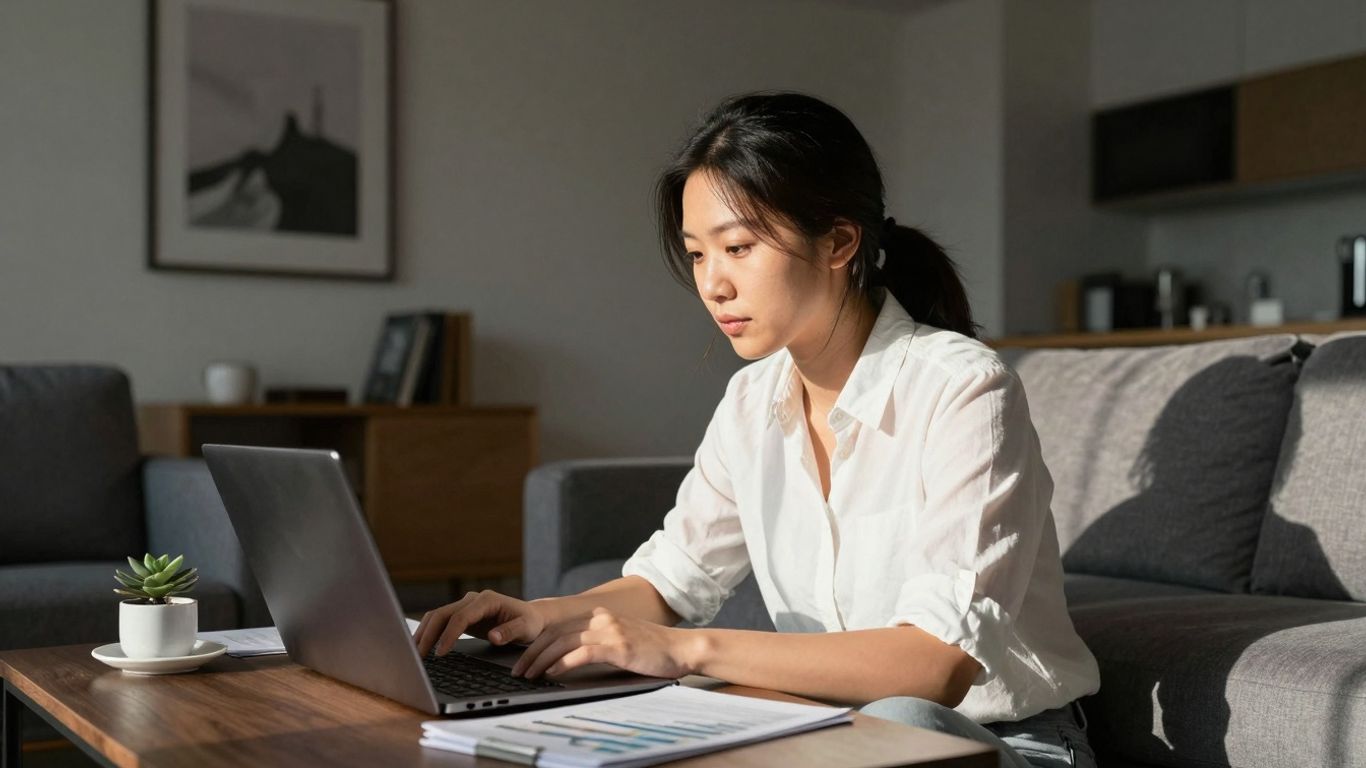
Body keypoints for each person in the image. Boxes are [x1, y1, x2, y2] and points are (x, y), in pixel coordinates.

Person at [414, 91, 1100, 768]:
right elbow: (671, 583)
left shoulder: (963, 388)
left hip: (1003, 744)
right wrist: (542, 616)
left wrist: (687, 651)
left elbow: (933, 667)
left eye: (738, 247)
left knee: (898, 722)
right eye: (697, 254)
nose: (713, 284)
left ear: (839, 242)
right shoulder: (751, 401)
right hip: (831, 737)